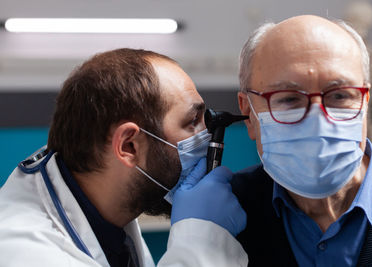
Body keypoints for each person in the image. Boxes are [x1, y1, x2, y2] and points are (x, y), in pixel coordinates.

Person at [0, 48, 248, 267]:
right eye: (192, 121)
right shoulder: (26, 254)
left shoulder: (105, 214)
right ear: (128, 146)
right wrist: (201, 240)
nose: (207, 133)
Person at [232, 15, 372, 266]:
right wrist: (197, 232)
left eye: (340, 95)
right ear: (248, 114)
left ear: (365, 102)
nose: (318, 120)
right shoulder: (229, 216)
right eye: (288, 98)